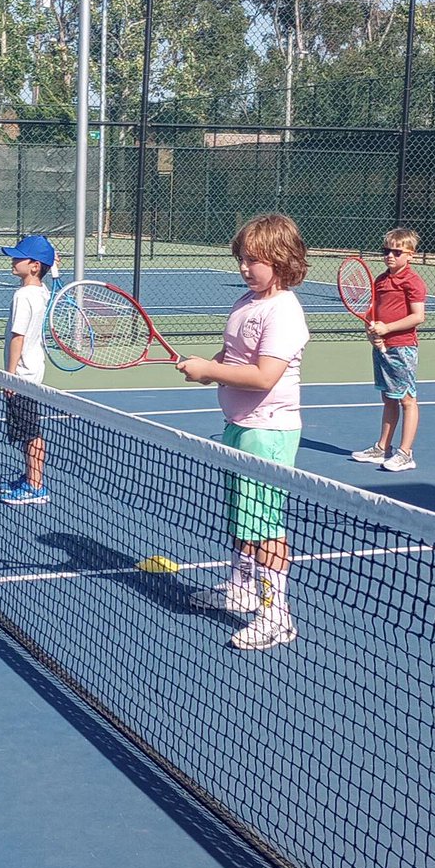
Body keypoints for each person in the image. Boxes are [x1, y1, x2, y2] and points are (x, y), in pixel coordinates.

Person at [177, 214, 309, 651]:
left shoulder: (284, 311)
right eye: (241, 259)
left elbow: (264, 377)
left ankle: (276, 615)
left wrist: (210, 371)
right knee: (242, 519)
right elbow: (233, 354)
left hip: (268, 432)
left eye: (254, 260)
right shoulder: (246, 303)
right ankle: (239, 588)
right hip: (239, 427)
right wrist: (207, 366)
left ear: (281, 259)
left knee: (265, 526)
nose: (244, 268)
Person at [350, 228, 427, 473]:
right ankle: (383, 448)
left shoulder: (413, 282)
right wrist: (371, 331)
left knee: (407, 399)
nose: (390, 256)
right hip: (383, 347)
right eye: (386, 251)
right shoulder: (381, 280)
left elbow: (418, 316)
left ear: (410, 255)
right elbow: (372, 310)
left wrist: (387, 328)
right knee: (388, 397)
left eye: (397, 251)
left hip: (403, 348)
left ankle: (406, 453)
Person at [0, 233, 54, 506]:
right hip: (33, 373)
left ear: (34, 266)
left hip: (21, 376)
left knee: (30, 433)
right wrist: (52, 265)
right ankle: (29, 477)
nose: (13, 260)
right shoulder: (42, 292)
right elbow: (50, 274)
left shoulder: (23, 295)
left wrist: (9, 375)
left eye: (19, 257)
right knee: (26, 431)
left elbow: (17, 336)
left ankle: (36, 486)